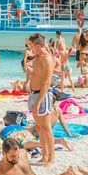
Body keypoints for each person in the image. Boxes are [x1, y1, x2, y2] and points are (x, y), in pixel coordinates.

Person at [27, 33, 55, 166]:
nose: (29, 47)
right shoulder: (37, 57)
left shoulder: (47, 59)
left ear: (38, 46)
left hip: (43, 95)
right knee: (39, 127)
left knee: (46, 127)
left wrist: (38, 101)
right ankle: (44, 155)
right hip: (33, 93)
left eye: (31, 46)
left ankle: (51, 158)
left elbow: (47, 83)